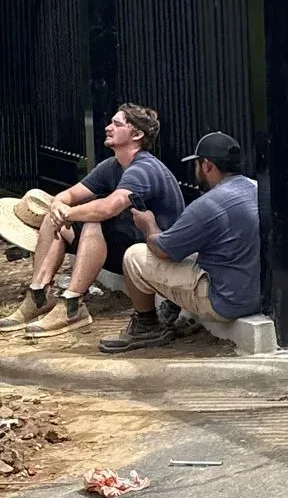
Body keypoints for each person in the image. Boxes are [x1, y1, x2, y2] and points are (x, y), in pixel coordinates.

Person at [0, 104, 185, 340]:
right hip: (127, 244)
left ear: (137, 135)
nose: (108, 127)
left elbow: (109, 207)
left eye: (117, 124)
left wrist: (68, 213)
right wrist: (57, 206)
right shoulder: (111, 166)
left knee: (92, 221)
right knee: (52, 218)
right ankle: (38, 295)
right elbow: (69, 195)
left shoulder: (143, 168)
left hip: (153, 252)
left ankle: (72, 304)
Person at [102, 131, 264, 352]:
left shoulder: (209, 204)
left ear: (206, 165)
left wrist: (148, 225)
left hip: (226, 302)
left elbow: (162, 250)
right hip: (261, 296)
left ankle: (147, 327)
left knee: (135, 255)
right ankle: (176, 307)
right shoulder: (258, 189)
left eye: (197, 165)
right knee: (193, 252)